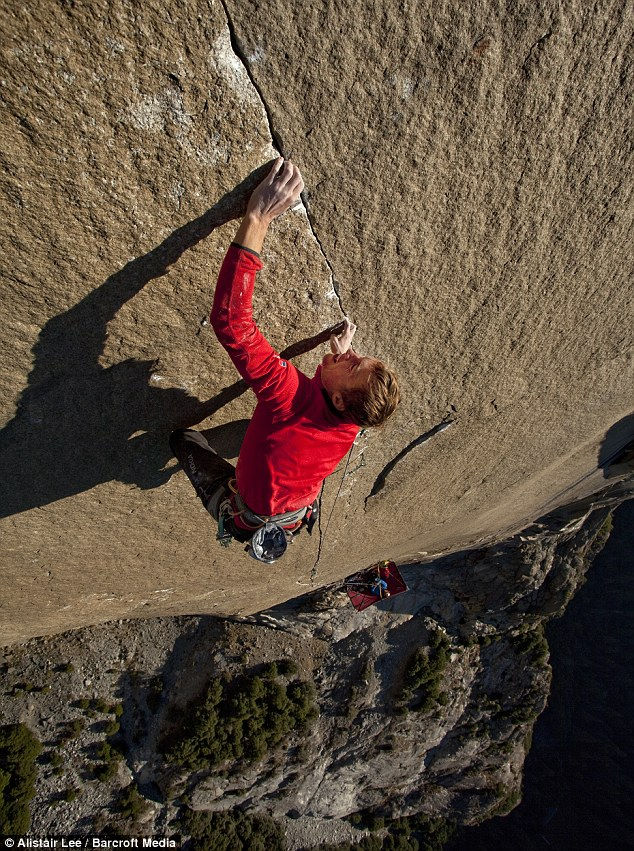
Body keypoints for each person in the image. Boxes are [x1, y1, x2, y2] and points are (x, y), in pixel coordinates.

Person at [170, 158, 400, 558]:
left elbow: (231, 322)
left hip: (247, 512)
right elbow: (331, 403)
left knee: (183, 438)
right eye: (359, 357)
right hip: (294, 512)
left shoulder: (288, 397)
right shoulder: (353, 421)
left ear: (341, 400)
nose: (352, 353)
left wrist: (257, 217)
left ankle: (207, 469)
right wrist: (342, 361)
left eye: (353, 365)